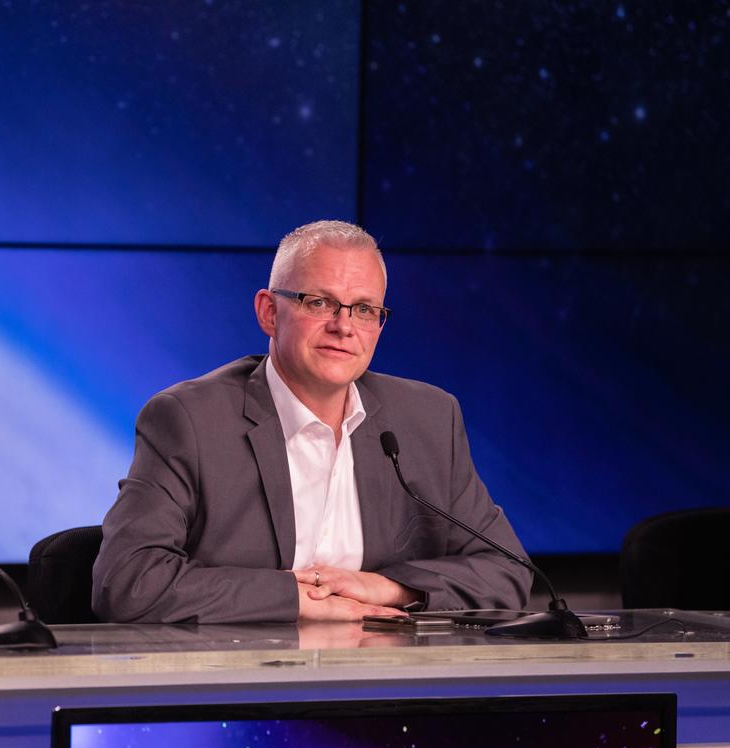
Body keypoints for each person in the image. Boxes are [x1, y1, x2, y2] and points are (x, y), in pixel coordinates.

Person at [93, 220, 531, 624]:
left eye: (364, 309)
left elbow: (508, 570)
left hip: (386, 684)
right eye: (319, 302)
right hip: (241, 687)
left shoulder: (428, 417)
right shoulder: (189, 419)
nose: (344, 327)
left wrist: (387, 588)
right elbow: (129, 582)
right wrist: (297, 600)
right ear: (269, 312)